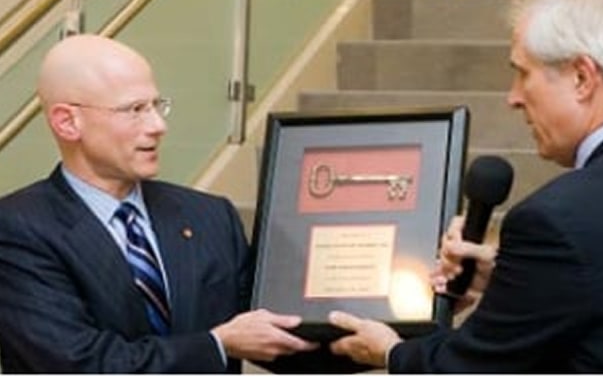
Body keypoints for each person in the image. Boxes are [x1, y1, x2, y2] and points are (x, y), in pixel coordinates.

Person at [327, 0, 603, 372]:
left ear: (582, 78)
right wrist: (515, 280)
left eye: (522, 72)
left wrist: (391, 349)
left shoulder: (557, 219)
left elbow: (471, 366)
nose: (513, 98)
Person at [0, 34, 362, 373]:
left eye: (157, 105)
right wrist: (217, 344)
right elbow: (78, 364)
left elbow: (272, 337)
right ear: (67, 122)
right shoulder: (19, 229)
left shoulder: (209, 215)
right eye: (134, 109)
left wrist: (380, 340)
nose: (158, 125)